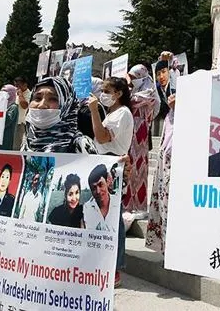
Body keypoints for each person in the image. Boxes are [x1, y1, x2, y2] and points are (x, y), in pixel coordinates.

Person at [88, 78, 133, 288]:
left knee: (113, 217)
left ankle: (115, 268)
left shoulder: (122, 113)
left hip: (113, 163)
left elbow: (103, 137)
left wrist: (95, 111)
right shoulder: (113, 114)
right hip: (105, 162)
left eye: (107, 91)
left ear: (119, 93)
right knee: (104, 215)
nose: (103, 94)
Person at [145, 62, 176, 255]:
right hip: (164, 169)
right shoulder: (169, 115)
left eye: (165, 72)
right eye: (158, 73)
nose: (161, 76)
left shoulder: (189, 109)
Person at [21, 76, 95, 153]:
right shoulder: (27, 141)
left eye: (53, 99)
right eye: (37, 98)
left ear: (67, 105)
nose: (42, 105)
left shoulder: (81, 145)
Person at [123, 64, 160, 212]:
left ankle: (138, 205)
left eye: (133, 77)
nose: (131, 80)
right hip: (129, 132)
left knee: (139, 169)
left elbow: (133, 101)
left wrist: (125, 87)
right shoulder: (134, 90)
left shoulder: (149, 91)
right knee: (128, 168)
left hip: (141, 134)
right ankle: (126, 204)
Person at [84, 164, 116, 232]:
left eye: (100, 185)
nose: (98, 191)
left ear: (107, 182)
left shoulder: (118, 203)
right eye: (94, 188)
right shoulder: (86, 208)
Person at [0, 84, 19, 151]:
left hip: (5, 140)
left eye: (5, 92)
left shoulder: (13, 107)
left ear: (11, 94)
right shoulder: (0, 105)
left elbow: (6, 121)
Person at [14, 77, 32, 150]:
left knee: (17, 145)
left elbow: (24, 106)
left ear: (25, 85)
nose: (16, 87)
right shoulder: (16, 93)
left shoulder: (29, 94)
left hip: (21, 123)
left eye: (18, 85)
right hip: (14, 122)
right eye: (15, 85)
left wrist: (21, 94)